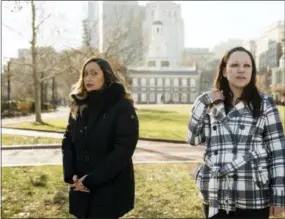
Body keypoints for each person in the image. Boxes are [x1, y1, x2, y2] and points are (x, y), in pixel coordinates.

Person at [187, 46, 285, 219]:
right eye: (235, 65)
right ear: (224, 71)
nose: (241, 69)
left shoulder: (265, 104)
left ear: (252, 72)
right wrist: (204, 101)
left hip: (253, 195)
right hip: (215, 193)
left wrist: (279, 196)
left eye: (247, 65)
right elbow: (193, 139)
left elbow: (277, 153)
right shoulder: (211, 103)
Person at [61, 57, 139, 218]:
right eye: (85, 74)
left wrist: (90, 180)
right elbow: (68, 141)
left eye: (94, 73)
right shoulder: (79, 105)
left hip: (109, 189)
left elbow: (123, 151)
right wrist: (71, 174)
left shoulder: (122, 106)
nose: (88, 78)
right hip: (80, 188)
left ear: (106, 76)